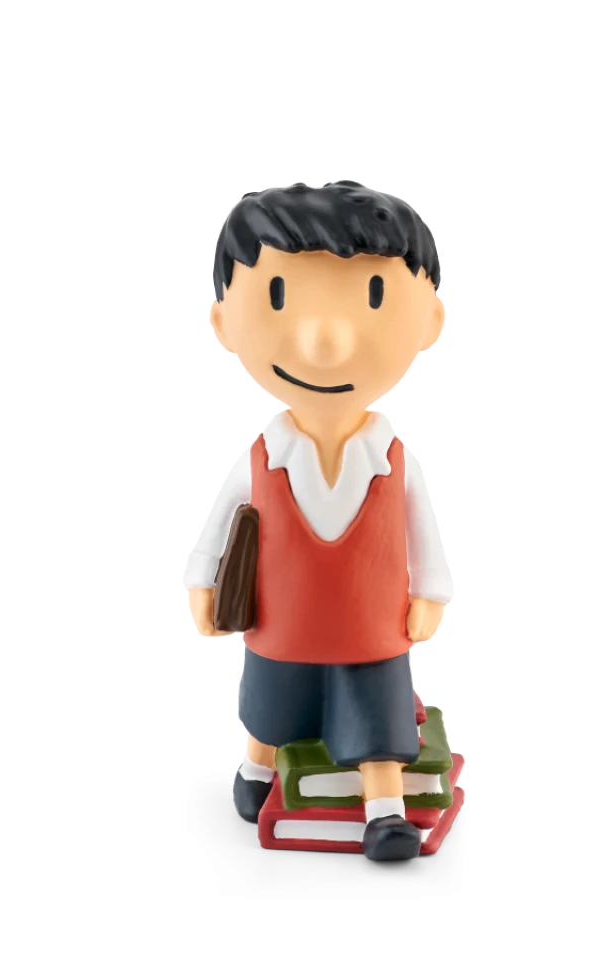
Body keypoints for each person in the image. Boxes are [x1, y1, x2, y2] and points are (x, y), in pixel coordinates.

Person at [185, 181, 454, 861]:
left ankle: (385, 812)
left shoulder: (393, 456)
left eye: (373, 295)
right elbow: (217, 523)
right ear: (222, 322)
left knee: (377, 715)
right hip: (283, 620)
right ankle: (256, 766)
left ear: (432, 320)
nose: (324, 342)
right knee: (272, 701)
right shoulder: (261, 455)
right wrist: (202, 584)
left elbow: (425, 529)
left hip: (371, 624)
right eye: (278, 296)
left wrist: (430, 591)